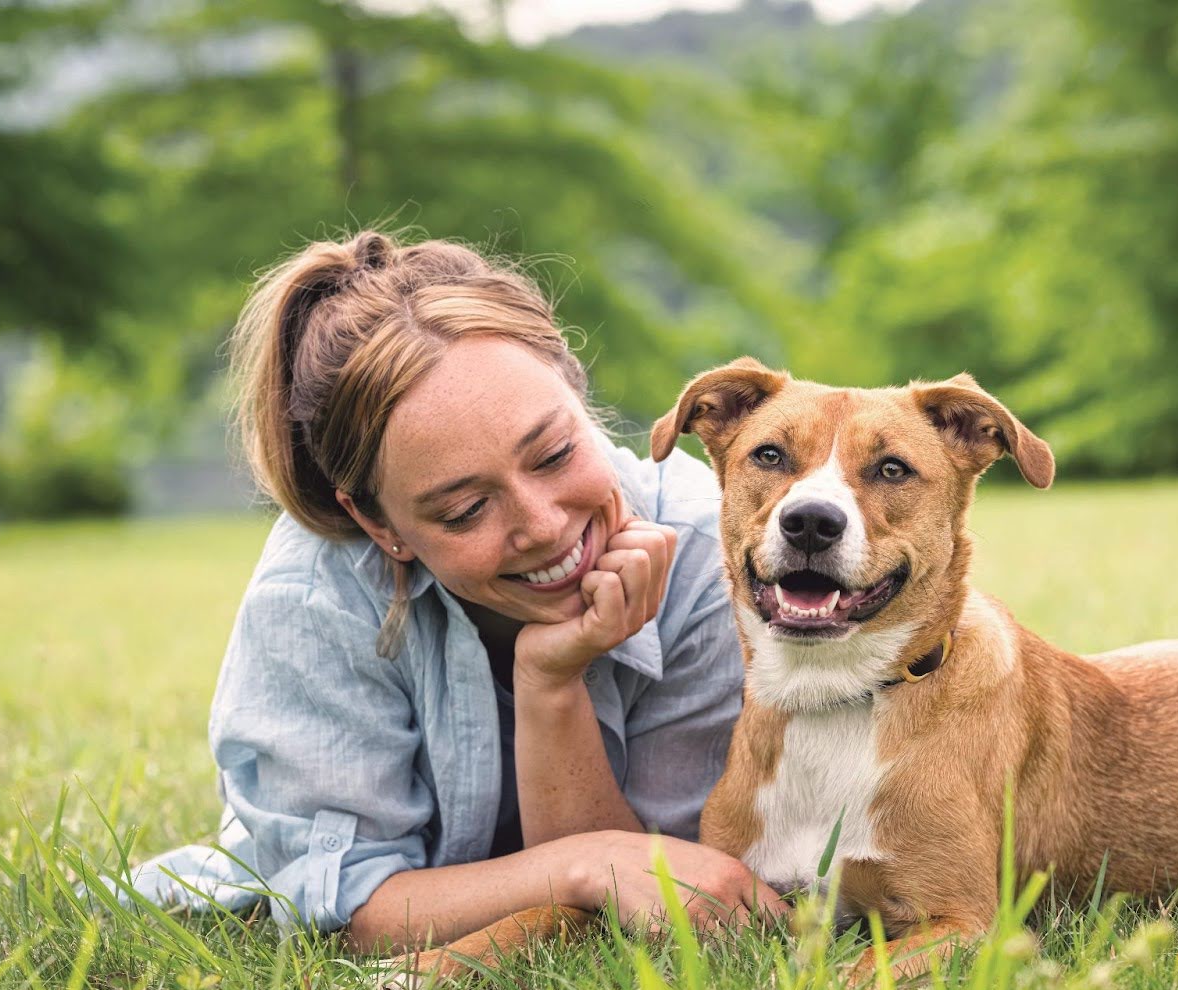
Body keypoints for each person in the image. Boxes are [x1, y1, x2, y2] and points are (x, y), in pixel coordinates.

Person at [119, 230, 787, 951]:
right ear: (378, 524)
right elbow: (351, 904)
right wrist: (582, 863)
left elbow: (664, 890)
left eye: (556, 453)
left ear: (576, 387)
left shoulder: (710, 553)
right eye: (465, 510)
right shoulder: (316, 593)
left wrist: (552, 686)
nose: (543, 526)